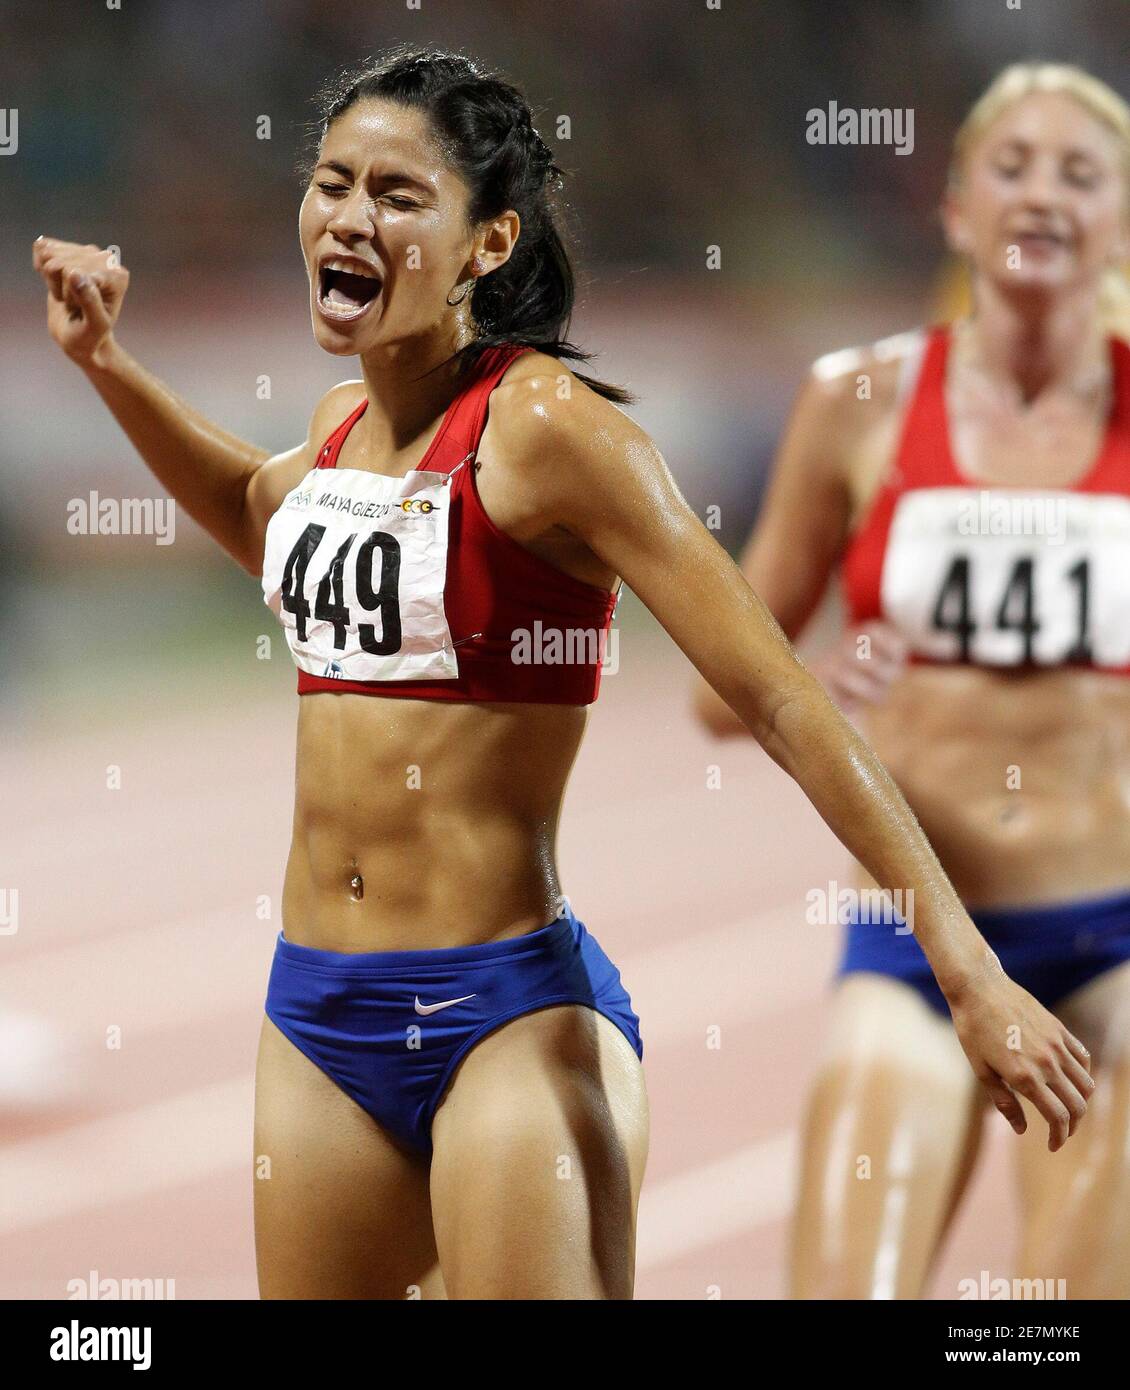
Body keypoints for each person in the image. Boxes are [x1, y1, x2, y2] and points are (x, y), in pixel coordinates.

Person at [36, 47, 1091, 1302]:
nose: (349, 216)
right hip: (314, 1016)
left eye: (397, 193)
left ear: (487, 244)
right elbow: (256, 512)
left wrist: (967, 968)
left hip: (503, 1018)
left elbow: (778, 692)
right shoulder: (333, 432)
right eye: (332, 183)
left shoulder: (546, 431)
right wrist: (106, 364)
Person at [695, 63, 1130, 1300]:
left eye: (1078, 173)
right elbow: (717, 692)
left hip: (1110, 949)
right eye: (1010, 165)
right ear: (952, 211)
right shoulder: (855, 403)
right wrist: (814, 679)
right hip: (915, 949)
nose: (1041, 191)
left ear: (1115, 223)